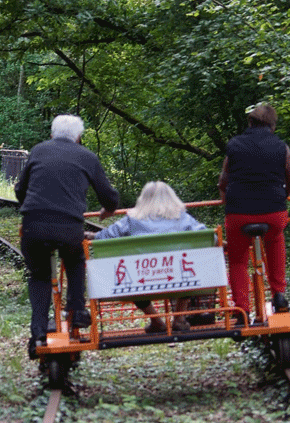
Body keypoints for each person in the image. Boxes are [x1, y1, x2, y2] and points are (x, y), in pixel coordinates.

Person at [15, 114, 119, 359]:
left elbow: (20, 189)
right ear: (79, 137)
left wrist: (31, 207)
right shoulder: (87, 157)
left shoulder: (38, 151)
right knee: (74, 259)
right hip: (68, 226)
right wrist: (108, 210)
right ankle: (78, 310)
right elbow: (109, 197)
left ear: (52, 134)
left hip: (34, 225)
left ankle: (39, 330)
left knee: (39, 275)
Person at [218, 103, 290, 324]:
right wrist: (283, 195)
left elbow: (223, 181)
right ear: (272, 126)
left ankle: (241, 310)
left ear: (250, 122)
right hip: (274, 212)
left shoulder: (234, 146)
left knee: (237, 259)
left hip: (238, 213)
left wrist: (225, 197)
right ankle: (279, 296)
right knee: (275, 241)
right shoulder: (281, 147)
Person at [87, 181, 206, 333]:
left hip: (143, 281)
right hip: (179, 279)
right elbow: (209, 237)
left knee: (132, 274)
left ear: (143, 199)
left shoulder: (131, 220)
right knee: (189, 270)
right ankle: (179, 318)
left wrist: (93, 235)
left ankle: (156, 320)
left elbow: (104, 237)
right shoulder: (183, 218)